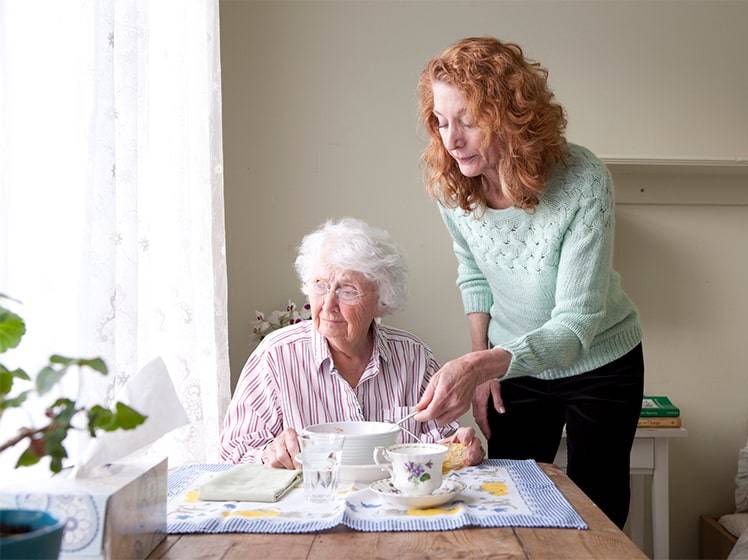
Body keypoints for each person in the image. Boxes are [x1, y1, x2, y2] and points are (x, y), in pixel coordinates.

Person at [413, 37, 643, 527]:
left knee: (597, 513)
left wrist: (480, 365)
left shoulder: (583, 178)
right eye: (441, 120)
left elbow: (577, 325)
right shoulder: (451, 186)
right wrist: (485, 365)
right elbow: (473, 271)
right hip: (511, 363)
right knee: (511, 502)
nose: (451, 140)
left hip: (601, 361)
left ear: (512, 115)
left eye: (468, 120)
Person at [220, 217, 484, 469]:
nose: (328, 305)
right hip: (312, 507)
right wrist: (269, 453)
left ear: (382, 301)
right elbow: (233, 450)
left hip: (393, 508)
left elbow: (439, 443)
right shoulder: (275, 356)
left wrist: (460, 448)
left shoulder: (414, 357)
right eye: (320, 285)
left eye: (348, 291)